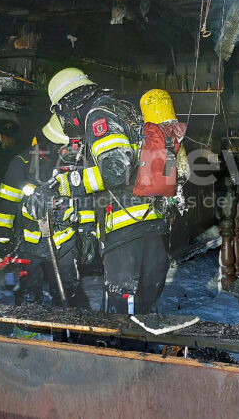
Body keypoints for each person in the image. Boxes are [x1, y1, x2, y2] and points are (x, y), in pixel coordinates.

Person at [30, 68, 170, 315]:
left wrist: (63, 184)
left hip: (126, 234)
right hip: (151, 224)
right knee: (142, 312)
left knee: (122, 316)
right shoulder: (122, 110)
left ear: (68, 104)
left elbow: (116, 170)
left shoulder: (98, 116)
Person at [0, 120, 100, 307]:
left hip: (64, 245)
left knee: (69, 297)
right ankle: (28, 323)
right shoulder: (22, 164)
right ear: (54, 144)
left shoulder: (76, 164)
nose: (73, 150)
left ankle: (67, 325)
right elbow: (5, 208)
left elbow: (85, 201)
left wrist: (88, 233)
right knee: (28, 301)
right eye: (69, 145)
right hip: (28, 245)